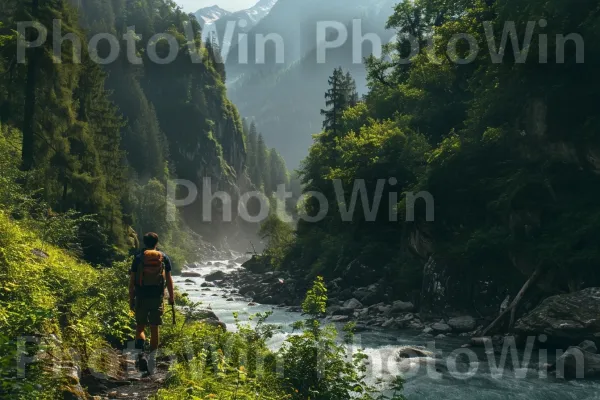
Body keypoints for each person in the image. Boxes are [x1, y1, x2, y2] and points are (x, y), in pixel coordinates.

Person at [129, 232, 175, 372]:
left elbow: (132, 282)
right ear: (156, 243)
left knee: (140, 327)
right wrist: (171, 297)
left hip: (141, 297)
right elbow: (168, 280)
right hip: (157, 297)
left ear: (144, 242)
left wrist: (131, 299)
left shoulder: (138, 258)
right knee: (155, 328)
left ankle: (141, 354)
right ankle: (152, 359)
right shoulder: (163, 257)